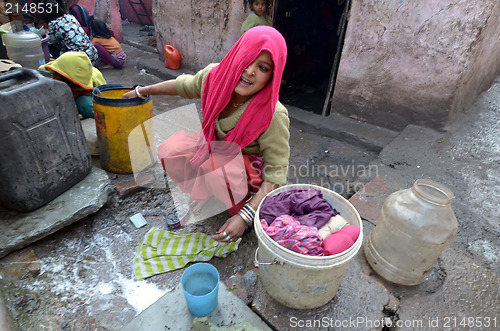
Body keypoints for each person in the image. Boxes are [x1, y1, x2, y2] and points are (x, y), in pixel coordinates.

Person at [122, 26, 289, 243]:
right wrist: (141, 91)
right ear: (236, 55)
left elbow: (276, 175)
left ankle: (243, 211)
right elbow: (184, 86)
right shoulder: (215, 77)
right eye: (247, 59)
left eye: (263, 68)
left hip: (248, 176)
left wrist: (245, 217)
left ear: (272, 76)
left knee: (217, 165)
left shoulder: (273, 114)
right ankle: (210, 190)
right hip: (217, 158)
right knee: (171, 150)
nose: (250, 71)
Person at [39, 51, 106, 118]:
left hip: (79, 101)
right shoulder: (46, 73)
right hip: (57, 104)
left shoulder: (96, 78)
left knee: (86, 105)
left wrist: (77, 95)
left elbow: (104, 100)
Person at [38, 0, 98, 65]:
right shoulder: (70, 17)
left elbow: (50, 42)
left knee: (51, 47)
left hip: (80, 60)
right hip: (92, 55)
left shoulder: (53, 24)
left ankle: (62, 66)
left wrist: (45, 33)